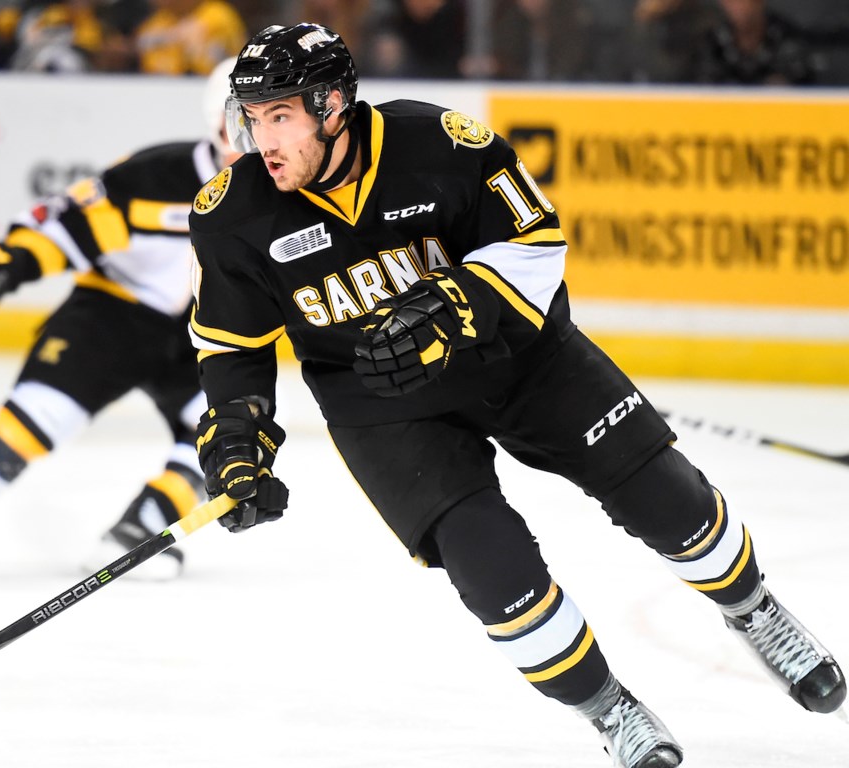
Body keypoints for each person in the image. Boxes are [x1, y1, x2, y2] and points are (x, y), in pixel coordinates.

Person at [187, 23, 846, 767]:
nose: (262, 139)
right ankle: (611, 710)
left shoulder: (441, 144)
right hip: (386, 407)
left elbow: (538, 243)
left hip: (520, 361)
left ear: (332, 102)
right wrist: (237, 441)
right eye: (253, 118)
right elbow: (231, 348)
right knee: (494, 573)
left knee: (672, 503)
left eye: (280, 116)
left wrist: (452, 306)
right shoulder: (232, 215)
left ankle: (756, 613)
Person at [0, 59, 242, 580]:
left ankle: (142, 527)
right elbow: (67, 225)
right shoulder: (152, 175)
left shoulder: (289, 198)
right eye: (242, 125)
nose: (257, 143)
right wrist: (1, 266)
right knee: (32, 422)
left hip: (198, 334)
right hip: (110, 318)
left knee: (231, 426)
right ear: (214, 123)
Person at [699, 0, 823, 85]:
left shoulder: (786, 37)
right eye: (732, 1)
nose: (738, 8)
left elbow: (806, 90)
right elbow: (703, 87)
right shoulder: (714, 41)